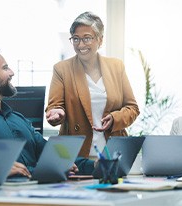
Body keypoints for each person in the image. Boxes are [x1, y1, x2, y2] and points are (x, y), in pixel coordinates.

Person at [0, 48, 91, 177]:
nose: (12, 73)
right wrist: (54, 167)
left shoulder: (18, 119)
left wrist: (95, 165)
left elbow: (52, 154)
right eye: (5, 68)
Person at [45, 11, 140, 159]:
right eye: (76, 39)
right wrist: (58, 113)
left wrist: (114, 118)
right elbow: (54, 106)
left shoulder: (116, 67)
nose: (80, 44)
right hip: (77, 155)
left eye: (87, 38)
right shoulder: (62, 69)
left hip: (113, 153)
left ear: (100, 40)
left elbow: (132, 108)